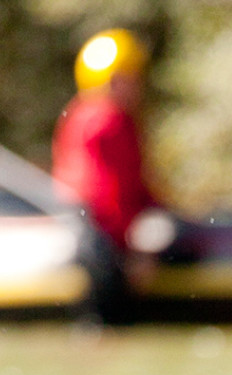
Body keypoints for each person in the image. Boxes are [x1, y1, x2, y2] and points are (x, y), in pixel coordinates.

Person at [53, 28, 156, 252]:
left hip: (89, 232)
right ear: (111, 80)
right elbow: (109, 193)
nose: (137, 86)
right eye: (130, 78)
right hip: (104, 240)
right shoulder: (108, 120)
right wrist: (134, 249)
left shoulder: (78, 113)